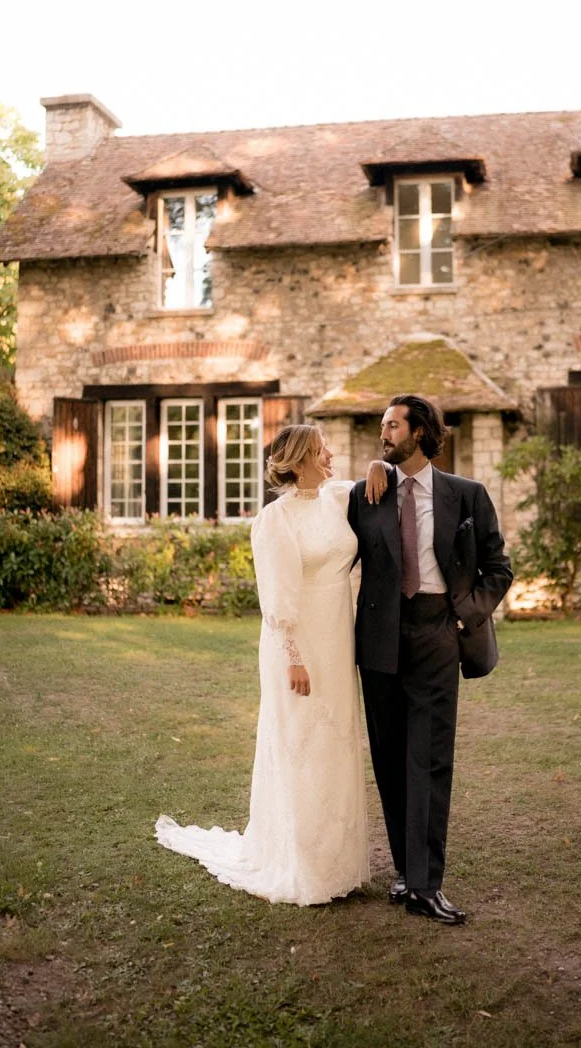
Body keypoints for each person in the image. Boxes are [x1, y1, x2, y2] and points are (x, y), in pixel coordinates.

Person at [156, 424, 383, 906]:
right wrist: (294, 660)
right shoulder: (275, 520)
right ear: (299, 460)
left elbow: (371, 481)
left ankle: (336, 863)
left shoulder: (337, 497)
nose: (331, 455)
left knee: (336, 739)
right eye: (323, 451)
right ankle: (302, 865)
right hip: (297, 644)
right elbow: (277, 600)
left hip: (339, 637)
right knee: (302, 740)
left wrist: (379, 464)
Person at [348, 395, 513, 925]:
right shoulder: (365, 493)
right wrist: (377, 468)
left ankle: (425, 884)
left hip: (439, 633)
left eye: (391, 427)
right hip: (379, 641)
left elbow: (497, 566)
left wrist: (466, 615)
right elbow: (311, 502)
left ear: (419, 432)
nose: (384, 435)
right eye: (381, 428)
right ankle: (404, 871)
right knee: (391, 760)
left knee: (430, 759)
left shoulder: (466, 495)